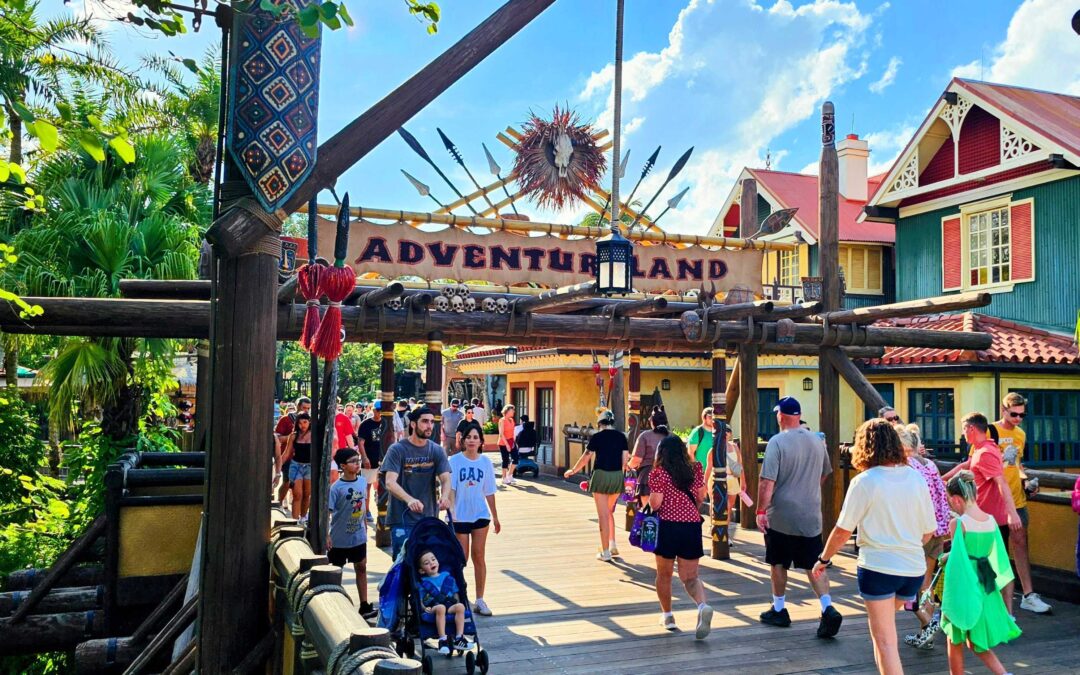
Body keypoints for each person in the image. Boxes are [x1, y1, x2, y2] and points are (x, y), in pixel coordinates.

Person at [814, 420, 937, 675]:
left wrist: (824, 559)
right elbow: (928, 532)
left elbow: (843, 530)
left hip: (878, 570)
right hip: (912, 571)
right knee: (885, 630)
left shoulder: (865, 481)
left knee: (885, 642)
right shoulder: (916, 478)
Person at [946, 394, 1050, 615]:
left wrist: (1026, 481)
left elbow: (1015, 466)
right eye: (1014, 414)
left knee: (1018, 545)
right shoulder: (988, 432)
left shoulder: (1020, 435)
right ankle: (1001, 609)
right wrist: (942, 480)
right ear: (1003, 410)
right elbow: (971, 464)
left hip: (1014, 496)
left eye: (1022, 415)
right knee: (995, 556)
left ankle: (1026, 596)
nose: (1018, 419)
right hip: (993, 503)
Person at [756, 396, 842, 638]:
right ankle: (827, 606)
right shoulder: (817, 441)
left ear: (781, 416)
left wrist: (761, 511)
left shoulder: (777, 442)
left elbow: (767, 481)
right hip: (810, 512)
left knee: (778, 561)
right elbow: (825, 473)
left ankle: (779, 608)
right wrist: (808, 488)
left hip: (781, 513)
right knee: (814, 563)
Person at [940, 471, 1021, 675]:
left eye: (950, 501)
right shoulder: (991, 521)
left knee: (955, 634)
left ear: (957, 499)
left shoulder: (958, 523)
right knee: (977, 640)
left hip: (964, 584)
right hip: (984, 584)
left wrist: (944, 558)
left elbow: (958, 558)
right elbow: (990, 554)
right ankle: (1003, 674)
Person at [943, 413, 1024, 614]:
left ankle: (1008, 614)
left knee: (999, 565)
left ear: (971, 429)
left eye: (963, 430)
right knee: (984, 564)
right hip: (980, 519)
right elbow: (966, 466)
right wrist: (938, 480)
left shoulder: (986, 452)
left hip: (992, 520)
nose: (962, 435)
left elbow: (1001, 482)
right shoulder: (980, 449)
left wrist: (1012, 514)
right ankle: (991, 609)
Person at [648, 435, 713, 639]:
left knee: (664, 574)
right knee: (690, 577)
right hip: (691, 527)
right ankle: (702, 605)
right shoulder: (696, 469)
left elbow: (656, 503)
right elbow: (702, 496)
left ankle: (668, 616)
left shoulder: (660, 473)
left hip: (667, 527)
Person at [898, 423, 951, 650]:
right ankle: (925, 632)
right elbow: (941, 496)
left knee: (906, 585)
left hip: (916, 533)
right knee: (926, 585)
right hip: (937, 530)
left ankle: (926, 625)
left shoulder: (903, 467)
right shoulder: (930, 464)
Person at [382, 407, 452, 559]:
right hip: (402, 519)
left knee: (429, 566)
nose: (429, 426)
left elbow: (446, 478)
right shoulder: (397, 449)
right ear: (413, 424)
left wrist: (445, 496)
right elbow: (389, 482)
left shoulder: (436, 450)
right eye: (425, 421)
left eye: (432, 422)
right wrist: (410, 499)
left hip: (429, 518)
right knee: (403, 565)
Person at [448, 425, 500, 617]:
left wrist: (495, 516)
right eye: (468, 437)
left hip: (480, 514)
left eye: (475, 437)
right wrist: (451, 511)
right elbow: (451, 488)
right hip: (460, 515)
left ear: (480, 441)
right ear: (463, 440)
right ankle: (460, 596)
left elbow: (489, 491)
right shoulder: (454, 461)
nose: (471, 440)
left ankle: (480, 599)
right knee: (462, 558)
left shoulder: (485, 462)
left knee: (479, 556)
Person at [564, 410, 628, 561]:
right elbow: (624, 461)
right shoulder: (621, 437)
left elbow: (586, 457)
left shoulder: (597, 437)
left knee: (603, 516)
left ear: (600, 423)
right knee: (609, 511)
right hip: (617, 477)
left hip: (600, 476)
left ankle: (605, 552)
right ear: (612, 423)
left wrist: (573, 470)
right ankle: (612, 544)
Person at [328, 448, 376, 619]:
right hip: (339, 537)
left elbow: (363, 506)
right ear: (343, 466)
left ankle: (364, 604)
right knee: (336, 570)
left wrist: (364, 526)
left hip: (358, 535)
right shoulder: (336, 488)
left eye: (358, 460)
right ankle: (334, 602)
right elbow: (329, 512)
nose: (357, 464)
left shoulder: (362, 482)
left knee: (361, 566)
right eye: (353, 461)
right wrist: (327, 535)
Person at [418, 550, 469, 655]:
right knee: (441, 607)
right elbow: (419, 598)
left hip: (449, 605)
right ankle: (442, 639)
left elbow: (455, 593)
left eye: (433, 559)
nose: (431, 563)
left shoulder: (446, 576)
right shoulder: (424, 582)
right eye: (426, 563)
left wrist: (457, 603)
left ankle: (459, 638)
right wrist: (423, 608)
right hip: (433, 607)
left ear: (438, 561)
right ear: (422, 571)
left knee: (460, 607)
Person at [628, 406, 669, 509]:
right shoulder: (673, 437)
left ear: (652, 422)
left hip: (648, 476)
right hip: (669, 476)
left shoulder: (645, 436)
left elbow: (636, 460)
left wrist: (628, 466)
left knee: (648, 511)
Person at [275, 396, 311, 503]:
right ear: (297, 406)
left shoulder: (310, 421)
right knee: (287, 482)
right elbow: (278, 438)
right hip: (289, 457)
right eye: (304, 408)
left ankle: (302, 514)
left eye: (308, 408)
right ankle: (279, 502)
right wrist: (293, 437)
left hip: (305, 458)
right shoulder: (286, 419)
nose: (306, 410)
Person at [356, 401, 383, 524]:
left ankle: (382, 509)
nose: (379, 412)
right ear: (373, 410)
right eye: (378, 410)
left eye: (381, 410)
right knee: (367, 486)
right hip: (370, 458)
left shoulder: (388, 422)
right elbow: (361, 443)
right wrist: (365, 458)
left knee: (382, 485)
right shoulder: (365, 424)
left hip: (383, 459)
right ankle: (366, 510)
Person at [284, 412, 313, 521]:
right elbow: (287, 453)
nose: (302, 425)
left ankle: (303, 517)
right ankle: (294, 522)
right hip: (296, 465)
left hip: (310, 466)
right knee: (297, 495)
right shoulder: (293, 435)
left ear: (309, 422)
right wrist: (278, 467)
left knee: (307, 494)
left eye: (305, 422)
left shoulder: (314, 435)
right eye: (300, 423)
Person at [723, 427, 745, 539]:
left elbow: (740, 465)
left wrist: (743, 481)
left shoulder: (735, 447)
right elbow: (709, 467)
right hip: (720, 480)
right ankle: (718, 530)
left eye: (728, 431)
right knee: (720, 506)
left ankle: (726, 532)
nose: (726, 433)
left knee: (729, 507)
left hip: (733, 479)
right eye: (724, 431)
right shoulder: (715, 448)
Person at [686, 407, 715, 471]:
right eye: (710, 417)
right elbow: (690, 453)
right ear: (704, 418)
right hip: (700, 472)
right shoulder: (697, 432)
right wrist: (697, 471)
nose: (712, 420)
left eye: (713, 417)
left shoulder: (717, 432)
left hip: (713, 473)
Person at [497, 404, 518, 486]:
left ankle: (510, 475)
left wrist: (513, 442)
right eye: (512, 410)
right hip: (503, 442)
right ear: (508, 411)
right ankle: (504, 478)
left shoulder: (512, 420)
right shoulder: (502, 420)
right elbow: (501, 434)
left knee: (516, 458)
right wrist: (507, 445)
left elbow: (513, 432)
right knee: (505, 460)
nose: (514, 412)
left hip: (511, 441)